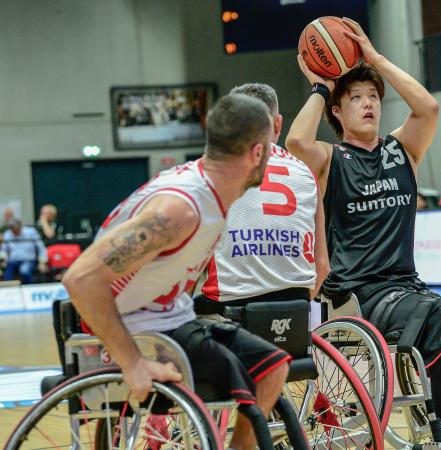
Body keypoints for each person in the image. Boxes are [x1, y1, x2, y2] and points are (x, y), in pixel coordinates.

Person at [285, 18, 441, 448]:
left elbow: (429, 108)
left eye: (373, 97)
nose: (368, 104)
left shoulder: (402, 150)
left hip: (405, 287)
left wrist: (375, 59)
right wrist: (322, 87)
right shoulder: (331, 158)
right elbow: (295, 142)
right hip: (356, 293)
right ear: (338, 113)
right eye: (356, 98)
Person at [61, 94, 289, 450]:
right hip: (132, 327)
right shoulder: (179, 209)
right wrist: (133, 363)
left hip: (168, 318)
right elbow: (81, 279)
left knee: (273, 366)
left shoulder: (213, 191)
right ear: (257, 153)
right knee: (243, 369)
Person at [198, 82, 329, 328]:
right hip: (296, 311)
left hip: (231, 314)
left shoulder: (211, 172)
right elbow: (322, 266)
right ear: (277, 124)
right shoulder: (306, 173)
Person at [1, 219, 48, 284]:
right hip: (12, 261)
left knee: (24, 271)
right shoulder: (7, 234)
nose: (15, 233)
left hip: (29, 260)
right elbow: (3, 250)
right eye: (13, 231)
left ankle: (29, 289)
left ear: (20, 227)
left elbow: (41, 248)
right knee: (7, 276)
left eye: (16, 230)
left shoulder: (31, 232)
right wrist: (4, 259)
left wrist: (42, 262)